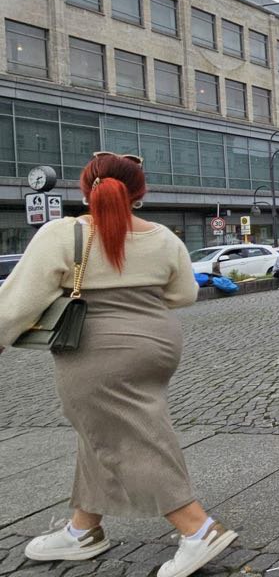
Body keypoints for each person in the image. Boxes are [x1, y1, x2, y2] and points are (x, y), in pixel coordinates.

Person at [0, 153, 237, 577]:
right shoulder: (164, 237)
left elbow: (18, 302)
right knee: (106, 430)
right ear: (139, 194)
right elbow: (183, 294)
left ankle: (197, 527)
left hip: (96, 349)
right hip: (158, 342)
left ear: (85, 188)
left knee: (129, 439)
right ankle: (83, 529)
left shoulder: (63, 234)